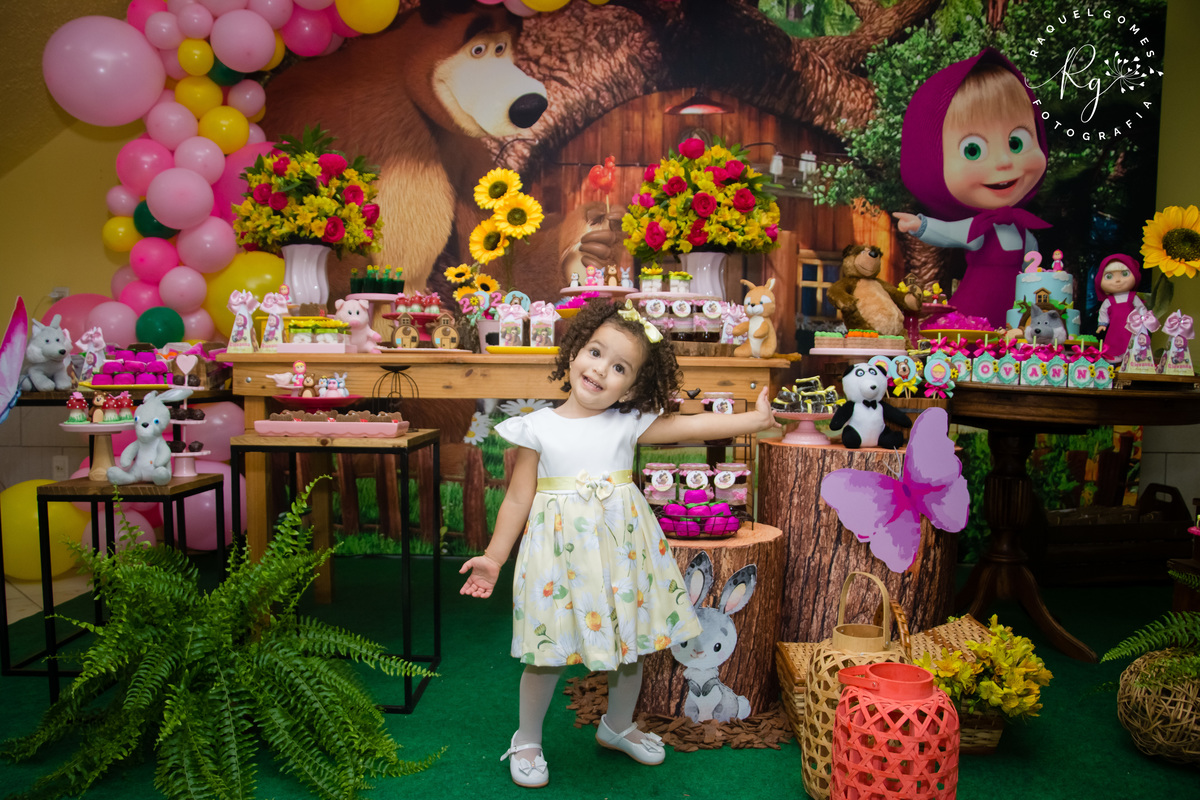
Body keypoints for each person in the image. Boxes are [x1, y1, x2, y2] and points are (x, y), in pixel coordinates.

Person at [459, 299, 778, 788]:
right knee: (545, 655)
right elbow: (519, 498)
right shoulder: (536, 427)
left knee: (630, 648)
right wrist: (494, 557)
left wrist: (753, 421)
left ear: (631, 387)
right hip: (558, 563)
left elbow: (692, 426)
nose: (600, 370)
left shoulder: (627, 422)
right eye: (595, 352)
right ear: (573, 353)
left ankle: (617, 726)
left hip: (621, 559)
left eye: (619, 367)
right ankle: (527, 739)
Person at [894, 48, 1050, 327]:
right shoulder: (980, 228)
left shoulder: (1023, 230)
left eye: (1016, 143)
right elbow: (950, 233)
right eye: (973, 150)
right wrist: (920, 225)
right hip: (980, 303)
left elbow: (1032, 263)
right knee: (968, 331)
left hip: (1019, 307)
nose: (1004, 162)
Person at [1094, 253, 1145, 362]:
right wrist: (1102, 324)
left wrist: (1144, 319)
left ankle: (1131, 359)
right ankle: (1114, 359)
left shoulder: (1133, 298)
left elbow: (1141, 308)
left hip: (1131, 328)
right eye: (1109, 276)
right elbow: (1103, 312)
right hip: (1114, 328)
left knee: (1130, 342)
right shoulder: (1109, 301)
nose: (1118, 280)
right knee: (1114, 343)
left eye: (1125, 274)